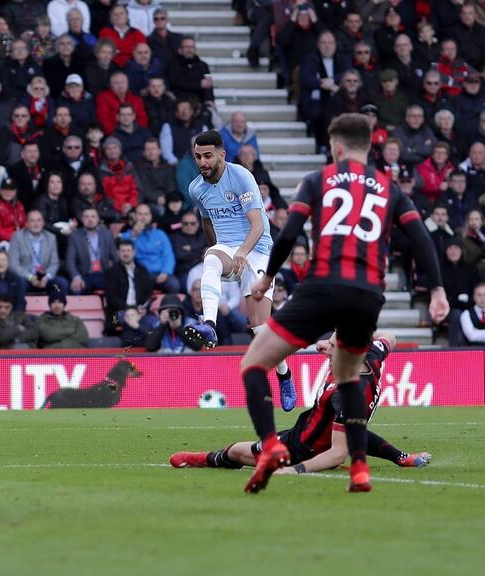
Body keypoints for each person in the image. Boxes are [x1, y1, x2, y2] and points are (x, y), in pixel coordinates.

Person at [241, 113, 448, 494]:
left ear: (336, 147)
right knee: (350, 375)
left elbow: (289, 232)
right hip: (367, 294)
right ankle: (358, 470)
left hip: (323, 285)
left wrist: (268, 277)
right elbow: (421, 239)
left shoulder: (318, 180)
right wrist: (436, 291)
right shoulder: (390, 189)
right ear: (369, 147)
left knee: (254, 362)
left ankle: (270, 448)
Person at [171, 331, 434, 473]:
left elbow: (338, 453)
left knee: (238, 452)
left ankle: (205, 459)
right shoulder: (372, 356)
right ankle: (402, 458)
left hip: (301, 447)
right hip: (311, 428)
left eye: (333, 347)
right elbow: (390, 337)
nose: (326, 351)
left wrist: (296, 469)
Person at [181, 130, 297, 410]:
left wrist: (242, 254)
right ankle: (209, 325)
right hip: (230, 248)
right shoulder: (197, 188)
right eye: (198, 157)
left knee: (260, 327)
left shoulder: (241, 176)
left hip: (258, 250)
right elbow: (207, 220)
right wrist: (218, 251)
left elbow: (257, 225)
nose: (202, 162)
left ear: (222, 154)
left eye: (208, 156)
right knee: (209, 258)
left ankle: (285, 375)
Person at [7, 210, 70, 296]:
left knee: (60, 284)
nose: (36, 224)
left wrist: (47, 277)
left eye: (38, 220)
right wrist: (30, 277)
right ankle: (20, 309)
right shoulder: (17, 237)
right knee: (19, 284)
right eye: (32, 221)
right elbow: (13, 264)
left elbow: (54, 262)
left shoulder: (51, 237)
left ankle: (57, 308)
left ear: (43, 223)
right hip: (26, 278)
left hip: (45, 279)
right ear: (26, 223)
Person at [120, 203, 179, 294]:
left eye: (146, 214)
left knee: (174, 284)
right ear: (135, 216)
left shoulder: (160, 234)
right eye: (140, 214)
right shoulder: (127, 235)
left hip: (160, 273)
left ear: (151, 216)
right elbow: (123, 251)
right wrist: (134, 234)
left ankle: (169, 308)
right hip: (140, 275)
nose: (143, 217)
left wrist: (165, 272)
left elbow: (168, 256)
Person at [104, 239, 153, 334]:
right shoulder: (111, 272)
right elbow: (111, 297)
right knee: (115, 323)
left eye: (128, 251)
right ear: (118, 252)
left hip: (139, 311)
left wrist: (143, 308)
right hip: (117, 312)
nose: (125, 254)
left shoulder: (142, 270)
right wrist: (128, 309)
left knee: (153, 321)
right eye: (123, 251)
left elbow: (148, 293)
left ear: (134, 252)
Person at [66, 207, 117, 295]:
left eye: (93, 217)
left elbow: (115, 256)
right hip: (84, 275)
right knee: (75, 290)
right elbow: (70, 260)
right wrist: (76, 277)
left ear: (98, 219)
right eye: (86, 217)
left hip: (103, 274)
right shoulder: (75, 236)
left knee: (119, 287)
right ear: (82, 219)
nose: (90, 220)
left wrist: (119, 274)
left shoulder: (107, 234)